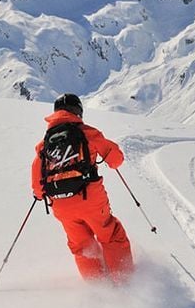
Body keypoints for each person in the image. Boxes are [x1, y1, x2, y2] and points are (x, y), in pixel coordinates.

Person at [31, 93, 134, 281]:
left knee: (81, 246)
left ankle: (97, 287)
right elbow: (116, 160)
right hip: (90, 199)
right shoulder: (88, 133)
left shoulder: (44, 144)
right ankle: (124, 283)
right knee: (111, 236)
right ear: (78, 112)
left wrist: (40, 193)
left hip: (61, 206)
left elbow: (37, 184)